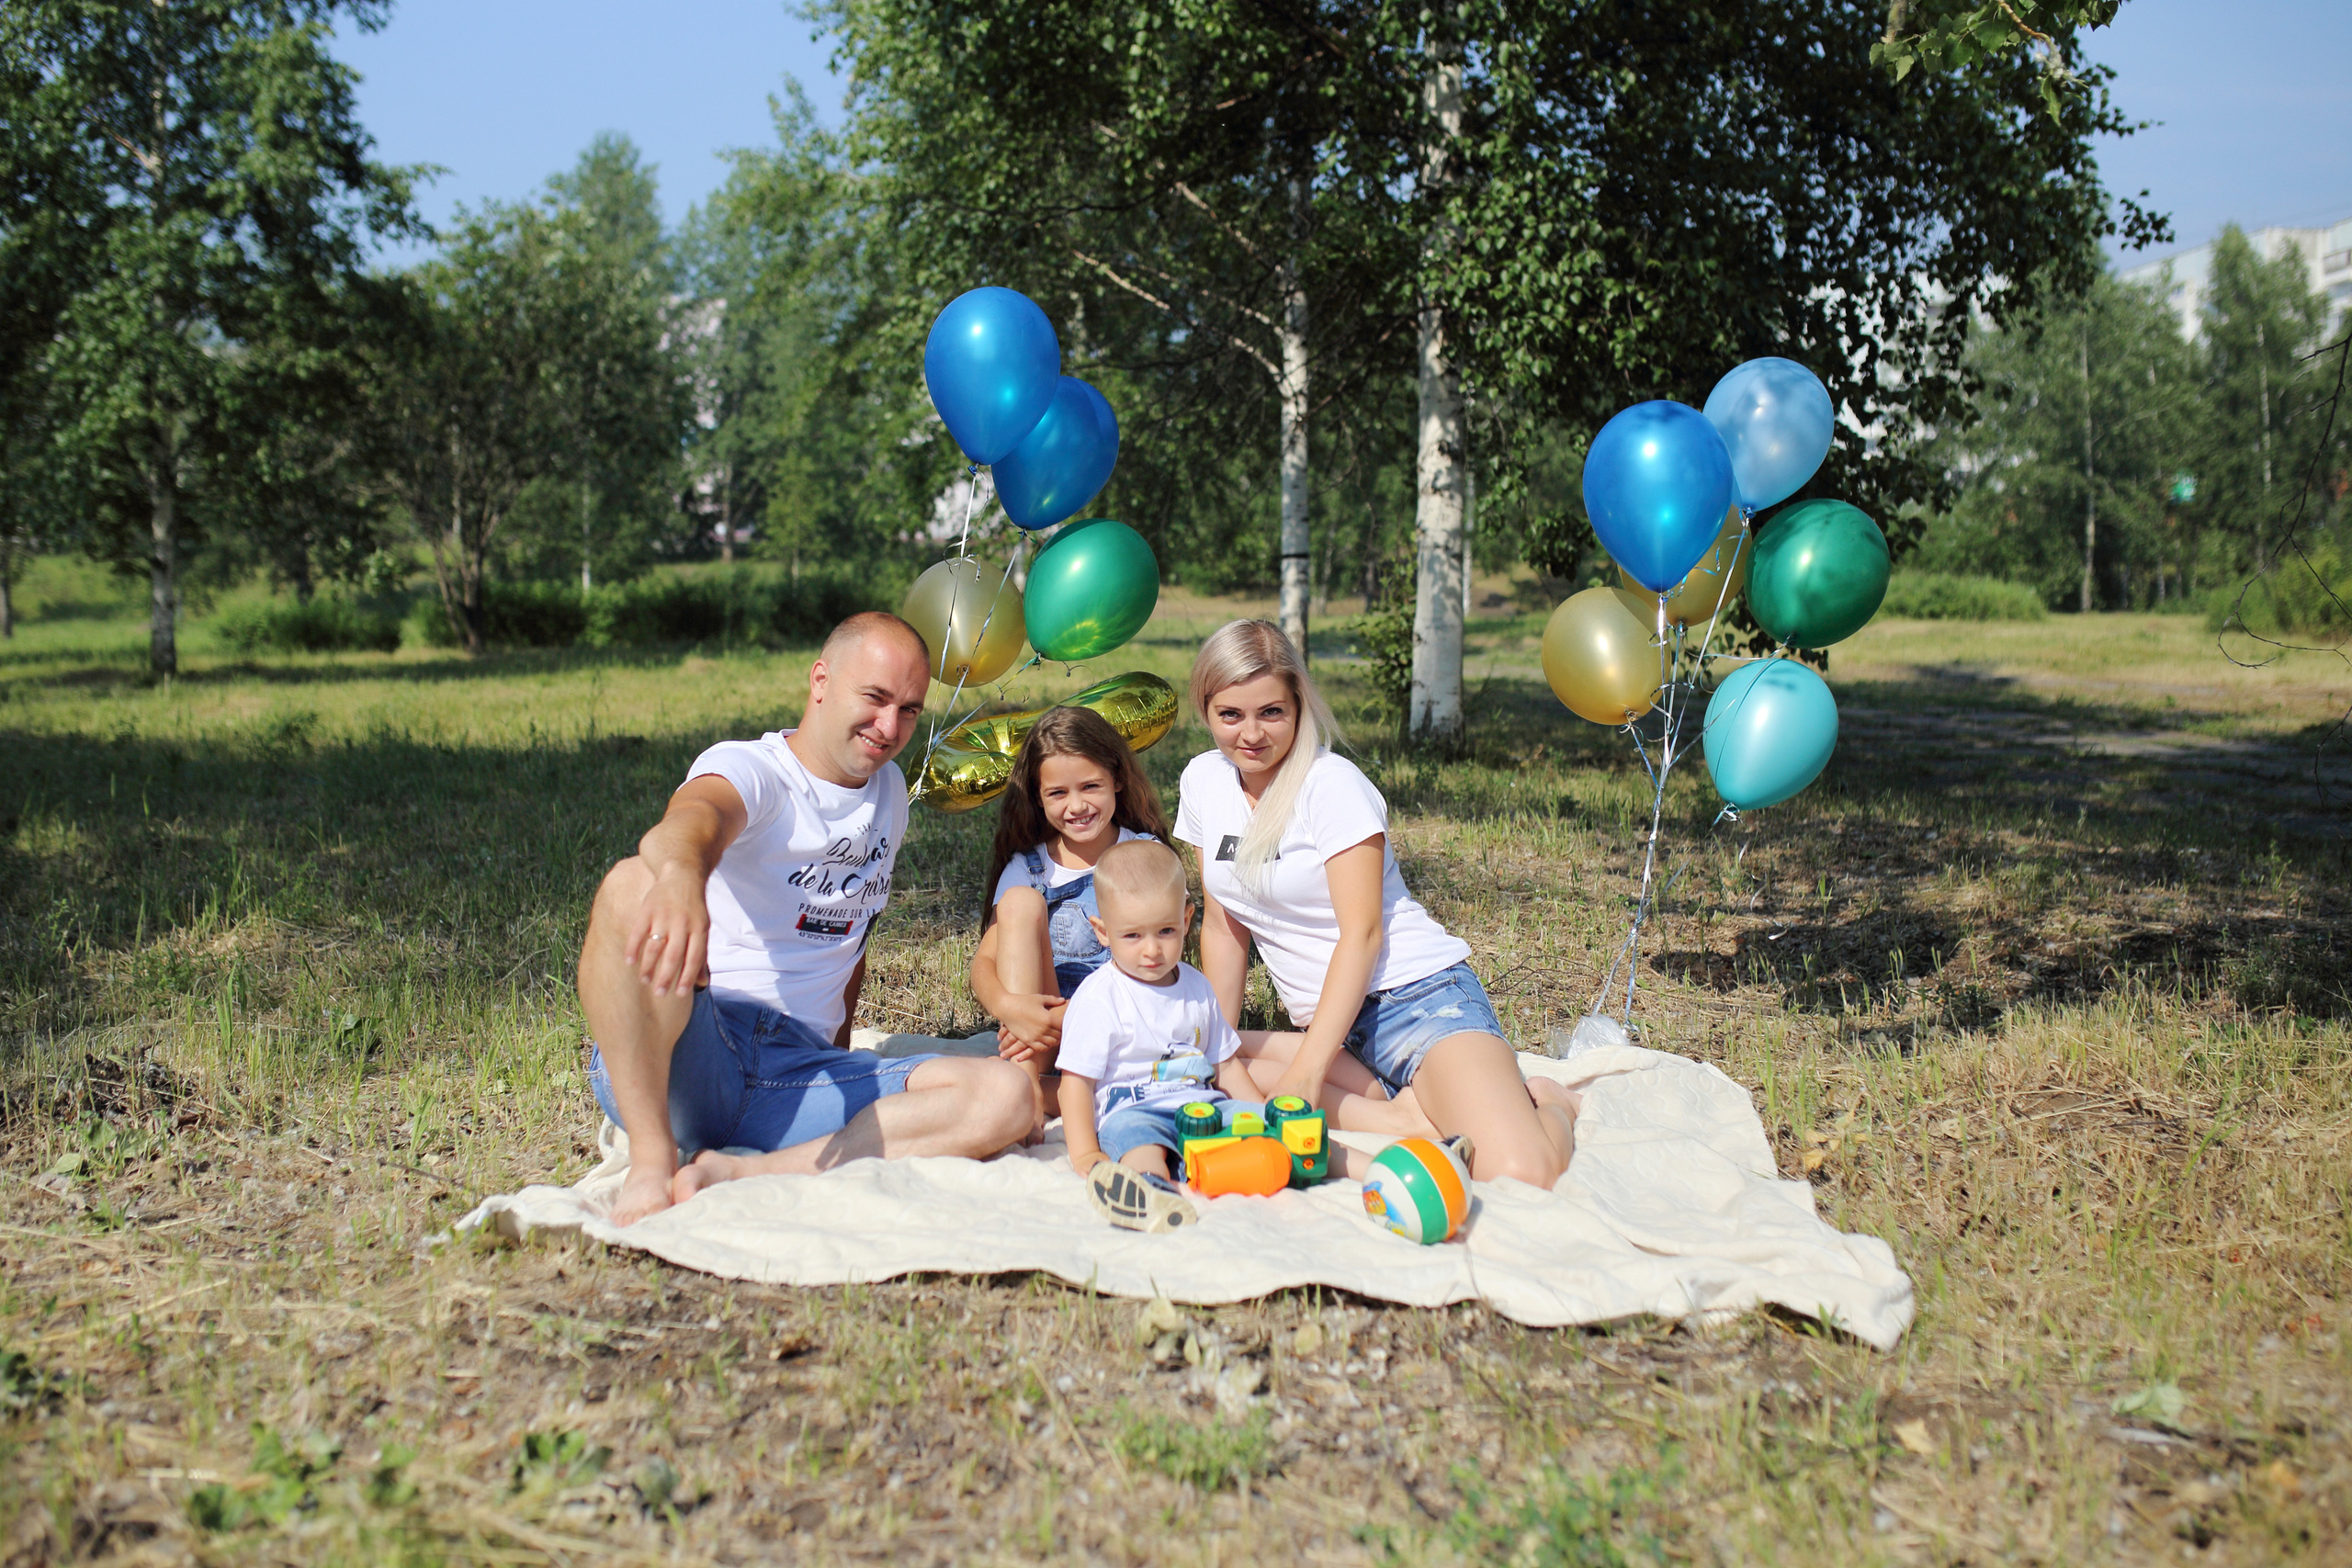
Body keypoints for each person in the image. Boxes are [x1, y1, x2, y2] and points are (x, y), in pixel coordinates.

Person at [577, 611, 1035, 1225]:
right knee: (633, 881)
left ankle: (740, 1171)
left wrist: (841, 1060)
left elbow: (853, 938)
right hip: (693, 1051)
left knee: (1007, 1096)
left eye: (908, 709)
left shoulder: (890, 793)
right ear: (821, 679)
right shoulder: (757, 770)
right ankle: (653, 1158)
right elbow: (690, 823)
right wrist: (683, 875)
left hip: (800, 1079)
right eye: (874, 697)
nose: (889, 726)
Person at [1173, 619, 1578, 1190]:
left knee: (1519, 1173)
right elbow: (1221, 924)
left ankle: (1553, 1104)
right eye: (1230, 715)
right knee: (1207, 1063)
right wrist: (1218, 1036)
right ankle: (1405, 1118)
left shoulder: (1331, 785)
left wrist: (1309, 1074)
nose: (1251, 734)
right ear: (1206, 710)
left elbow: (1362, 935)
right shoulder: (1202, 782)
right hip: (1328, 1023)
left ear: (1299, 704)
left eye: (1272, 712)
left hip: (1414, 1002)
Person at [967, 706, 1173, 1113]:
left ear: (1116, 779)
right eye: (1058, 794)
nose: (1076, 806)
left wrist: (1073, 1019)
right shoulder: (1029, 867)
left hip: (1128, 1023)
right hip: (1044, 1033)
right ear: (1038, 798)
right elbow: (983, 963)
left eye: (1090, 786)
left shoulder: (1147, 855)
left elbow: (1162, 963)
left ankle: (1042, 1094)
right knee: (1022, 902)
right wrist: (1010, 1007)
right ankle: (1026, 1093)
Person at [1052, 839, 1258, 1234]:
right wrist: (1086, 1153)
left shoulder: (1198, 987)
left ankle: (1273, 1167)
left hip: (1200, 1106)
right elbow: (1075, 1085)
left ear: (1186, 919)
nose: (1152, 950)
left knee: (1256, 1131)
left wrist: (1261, 1111)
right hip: (1133, 1109)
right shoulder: (1099, 997)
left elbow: (1227, 1066)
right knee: (1141, 1144)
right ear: (1103, 932)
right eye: (1133, 936)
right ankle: (1147, 1191)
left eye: (1165, 930)